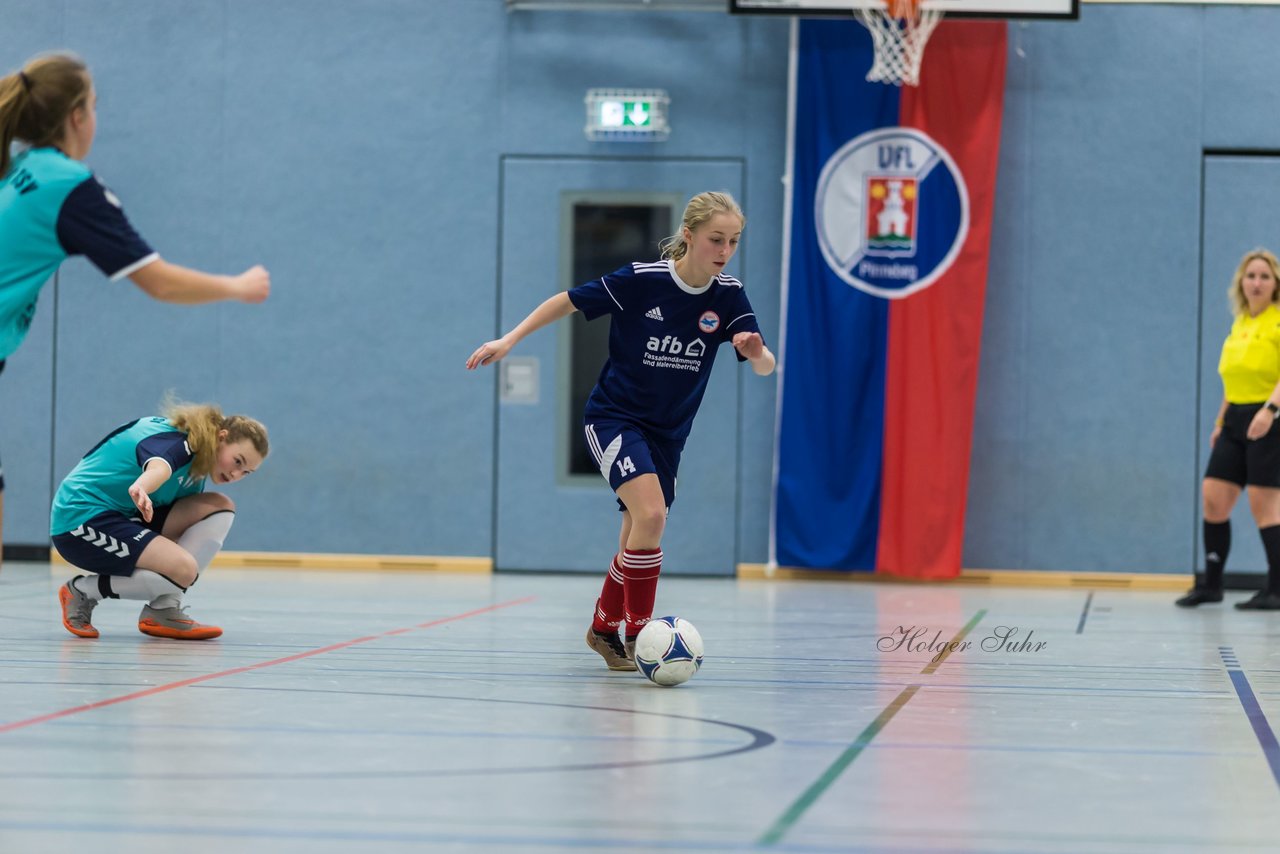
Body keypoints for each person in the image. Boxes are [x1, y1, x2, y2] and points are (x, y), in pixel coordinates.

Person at [467, 191, 775, 669]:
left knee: (637, 532)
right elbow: (565, 301)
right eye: (716, 239)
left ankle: (602, 630)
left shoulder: (729, 295)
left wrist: (755, 352)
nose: (724, 251)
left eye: (733, 242)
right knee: (651, 516)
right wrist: (509, 339)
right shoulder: (641, 280)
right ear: (689, 236)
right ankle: (642, 634)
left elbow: (765, 366)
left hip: (669, 434)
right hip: (614, 417)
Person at [0, 52, 270, 571]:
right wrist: (235, 286)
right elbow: (160, 282)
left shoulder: (16, 170)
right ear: (78, 116)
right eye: (96, 106)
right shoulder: (67, 185)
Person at [53, 399, 268, 640]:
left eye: (246, 472)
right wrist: (142, 486)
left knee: (219, 507)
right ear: (222, 437)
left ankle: (164, 608)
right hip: (80, 519)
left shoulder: (197, 471)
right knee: (184, 569)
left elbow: (177, 534)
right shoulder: (180, 442)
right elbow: (158, 468)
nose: (236, 474)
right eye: (237, 461)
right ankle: (82, 591)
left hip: (126, 517)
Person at [1179, 248, 1280, 610]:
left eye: (1264, 276)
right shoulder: (1239, 325)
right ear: (1241, 282)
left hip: (1269, 416)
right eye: (1251, 275)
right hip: (1235, 417)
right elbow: (1231, 381)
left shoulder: (1277, 321)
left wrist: (1270, 409)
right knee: (1214, 497)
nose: (1256, 282)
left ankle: (1277, 589)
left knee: (1264, 505)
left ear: (1274, 284)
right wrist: (1221, 422)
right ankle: (1212, 585)